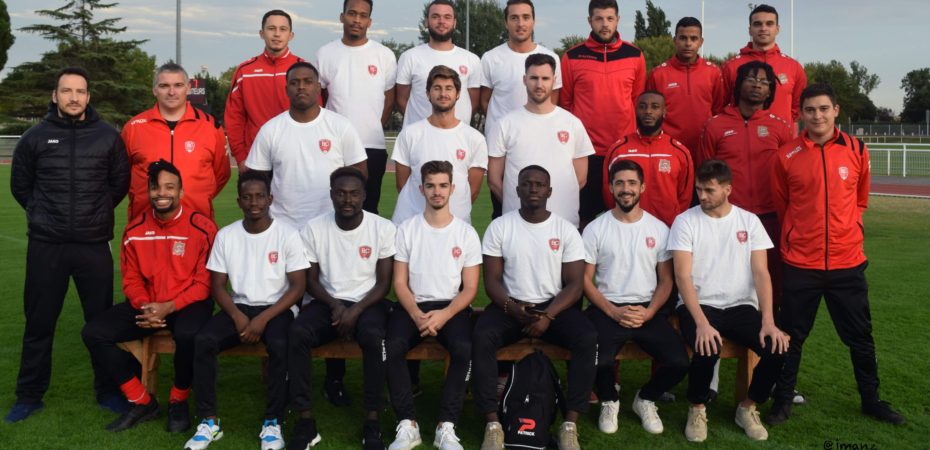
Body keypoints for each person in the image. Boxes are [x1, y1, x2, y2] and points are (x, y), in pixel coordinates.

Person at [766, 83, 905, 426]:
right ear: (801, 114)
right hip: (801, 263)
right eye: (810, 110)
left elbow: (860, 199)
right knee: (791, 337)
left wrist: (846, 232)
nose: (817, 116)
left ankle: (871, 400)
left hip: (847, 263)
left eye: (824, 109)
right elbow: (783, 206)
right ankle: (782, 401)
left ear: (836, 111)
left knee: (860, 337)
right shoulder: (786, 156)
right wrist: (800, 235)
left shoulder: (857, 149)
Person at [7, 66, 130, 423]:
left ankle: (108, 391)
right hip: (48, 245)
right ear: (55, 96)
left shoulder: (108, 137)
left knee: (101, 325)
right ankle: (29, 396)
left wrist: (93, 214)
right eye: (66, 91)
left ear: (88, 97)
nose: (73, 97)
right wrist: (44, 215)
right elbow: (21, 186)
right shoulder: (34, 137)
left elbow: (118, 185)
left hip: (93, 245)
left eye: (80, 91)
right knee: (39, 323)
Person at [82, 160, 216, 433]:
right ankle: (142, 401)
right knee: (94, 333)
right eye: (155, 188)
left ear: (181, 191)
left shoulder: (203, 228)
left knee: (189, 334)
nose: (161, 193)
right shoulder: (135, 230)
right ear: (149, 192)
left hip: (187, 303)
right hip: (148, 304)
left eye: (169, 187)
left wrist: (170, 306)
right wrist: (145, 306)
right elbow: (131, 279)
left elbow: (205, 283)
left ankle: (178, 399)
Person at [474, 166, 597, 450]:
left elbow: (575, 284)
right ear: (517, 189)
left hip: (553, 307)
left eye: (539, 184)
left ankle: (570, 424)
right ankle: (492, 423)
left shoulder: (565, 230)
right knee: (481, 336)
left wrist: (549, 316)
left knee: (587, 337)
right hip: (510, 306)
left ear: (549, 191)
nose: (533, 189)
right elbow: (491, 281)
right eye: (527, 184)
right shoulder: (500, 226)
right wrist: (512, 307)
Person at [185, 171, 309, 450]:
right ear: (239, 201)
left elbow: (298, 286)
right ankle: (208, 421)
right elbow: (218, 286)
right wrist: (238, 316)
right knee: (203, 340)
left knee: (279, 344)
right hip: (239, 307)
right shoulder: (226, 236)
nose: (254, 203)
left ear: (270, 199)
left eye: (260, 196)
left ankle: (273, 422)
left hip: (277, 308)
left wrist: (263, 319)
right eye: (247, 197)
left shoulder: (287, 234)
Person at [669, 160, 789, 442]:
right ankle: (697, 408)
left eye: (709, 190)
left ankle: (747, 407)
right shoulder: (685, 221)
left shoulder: (749, 221)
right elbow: (682, 276)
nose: (702, 196)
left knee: (778, 346)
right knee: (707, 345)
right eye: (699, 189)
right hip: (699, 305)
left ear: (728, 189)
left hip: (740, 306)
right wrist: (701, 323)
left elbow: (761, 273)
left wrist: (768, 321)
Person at [286, 167, 396, 450]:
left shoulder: (382, 228)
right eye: (341, 193)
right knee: (298, 333)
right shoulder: (314, 228)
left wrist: (355, 311)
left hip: (368, 302)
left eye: (354, 193)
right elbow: (310, 280)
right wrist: (335, 305)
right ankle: (305, 420)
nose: (348, 200)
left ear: (364, 195)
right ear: (331, 195)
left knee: (374, 336)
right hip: (327, 301)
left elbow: (384, 283)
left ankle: (372, 421)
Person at [584, 159, 688, 435]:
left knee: (679, 362)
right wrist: (612, 311)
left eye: (632, 183)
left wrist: (650, 312)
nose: (625, 189)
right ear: (610, 188)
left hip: (646, 310)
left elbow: (666, 280)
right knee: (598, 359)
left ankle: (645, 399)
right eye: (619, 183)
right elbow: (584, 280)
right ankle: (609, 400)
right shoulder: (596, 228)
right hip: (607, 308)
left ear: (642, 187)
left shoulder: (658, 229)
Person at [386, 161, 481, 450]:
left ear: (452, 188)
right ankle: (407, 424)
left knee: (464, 348)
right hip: (413, 306)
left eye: (442, 185)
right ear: (421, 189)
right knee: (391, 346)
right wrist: (416, 314)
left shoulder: (466, 233)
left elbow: (470, 288)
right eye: (430, 186)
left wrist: (445, 314)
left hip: (451, 307)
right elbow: (399, 282)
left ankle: (446, 426)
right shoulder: (407, 229)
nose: (437, 192)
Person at [245, 61, 368, 229]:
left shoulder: (341, 125)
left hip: (330, 225)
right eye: (294, 83)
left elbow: (360, 173)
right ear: (286, 90)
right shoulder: (270, 130)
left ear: (318, 88)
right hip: (284, 225)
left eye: (307, 82)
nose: (301, 87)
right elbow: (256, 181)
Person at [560, 0, 646, 227]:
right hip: (585, 152)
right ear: (590, 21)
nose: (605, 24)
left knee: (624, 217)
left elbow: (637, 101)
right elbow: (566, 104)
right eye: (599, 19)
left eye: (609, 18)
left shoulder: (635, 55)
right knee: (581, 218)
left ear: (618, 20)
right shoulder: (572, 56)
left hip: (623, 150)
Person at [488, 53, 594, 228]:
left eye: (545, 78)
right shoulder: (505, 124)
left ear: (554, 80)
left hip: (564, 224)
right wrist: (516, 204)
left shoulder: (572, 123)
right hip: (518, 225)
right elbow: (493, 179)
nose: (539, 84)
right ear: (525, 80)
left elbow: (580, 179)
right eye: (534, 78)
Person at [480, 0, 561, 219]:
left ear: (534, 21)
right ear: (506, 22)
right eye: (514, 17)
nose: (520, 23)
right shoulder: (491, 58)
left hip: (540, 149)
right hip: (504, 151)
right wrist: (506, 130)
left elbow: (553, 102)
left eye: (526, 17)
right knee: (503, 215)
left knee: (540, 213)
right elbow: (484, 102)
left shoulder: (551, 58)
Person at [316, 0, 396, 214]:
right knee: (329, 210)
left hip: (372, 145)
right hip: (334, 146)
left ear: (369, 21)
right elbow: (321, 97)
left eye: (363, 15)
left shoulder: (384, 55)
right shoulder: (325, 53)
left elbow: (390, 99)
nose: (357, 20)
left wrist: (374, 126)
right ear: (342, 17)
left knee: (368, 211)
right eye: (352, 14)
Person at [121, 63, 230, 220]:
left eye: (178, 85)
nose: (171, 92)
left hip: (197, 223)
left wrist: (198, 198)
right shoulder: (134, 128)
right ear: (154, 90)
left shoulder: (210, 127)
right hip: (145, 224)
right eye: (164, 86)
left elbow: (221, 174)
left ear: (188, 88)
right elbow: (120, 176)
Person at [392, 65, 487, 225]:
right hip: (411, 223)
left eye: (449, 88)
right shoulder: (409, 134)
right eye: (437, 88)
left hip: (455, 225)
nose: (443, 94)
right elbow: (401, 185)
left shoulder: (474, 138)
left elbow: (473, 190)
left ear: (458, 94)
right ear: (428, 94)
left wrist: (444, 219)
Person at [226, 9, 305, 168]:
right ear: (262, 33)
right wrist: (240, 157)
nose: (277, 34)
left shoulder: (304, 70)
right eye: (271, 28)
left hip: (296, 159)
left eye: (283, 29)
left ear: (291, 35)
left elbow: (315, 115)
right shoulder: (245, 71)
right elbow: (234, 118)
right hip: (255, 159)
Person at [602, 91, 693, 228]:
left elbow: (684, 196)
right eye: (642, 106)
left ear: (664, 112)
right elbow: (608, 191)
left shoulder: (679, 152)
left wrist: (673, 221)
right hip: (627, 227)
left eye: (655, 107)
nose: (648, 111)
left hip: (668, 228)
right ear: (635, 110)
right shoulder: (618, 150)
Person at [646, 16, 725, 160]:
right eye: (683, 38)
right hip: (669, 149)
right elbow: (651, 114)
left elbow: (718, 111)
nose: (688, 43)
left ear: (701, 42)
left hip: (704, 148)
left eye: (693, 39)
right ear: (674, 40)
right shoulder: (658, 74)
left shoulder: (713, 72)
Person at [721, 4, 806, 132]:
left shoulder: (793, 67)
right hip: (742, 139)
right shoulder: (731, 66)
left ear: (777, 29)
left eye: (769, 24)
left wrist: (783, 127)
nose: (763, 28)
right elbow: (721, 106)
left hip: (781, 140)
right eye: (757, 24)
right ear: (750, 30)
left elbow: (797, 109)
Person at [396, 0, 480, 128]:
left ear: (454, 23)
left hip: (458, 136)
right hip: (420, 135)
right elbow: (401, 100)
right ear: (426, 22)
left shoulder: (472, 59)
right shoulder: (409, 57)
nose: (441, 21)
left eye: (447, 17)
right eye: (435, 17)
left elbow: (474, 102)